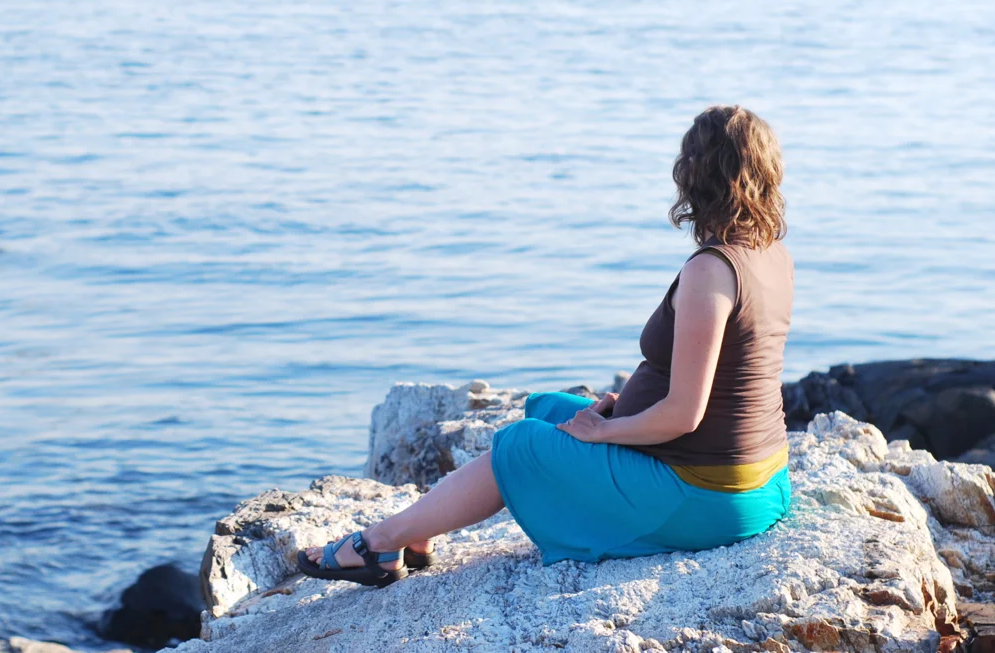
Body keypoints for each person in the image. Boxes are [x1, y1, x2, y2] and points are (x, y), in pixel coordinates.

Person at [299, 105, 794, 587]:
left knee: (521, 445)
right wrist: (627, 409)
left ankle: (381, 544)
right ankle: (416, 531)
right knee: (548, 409)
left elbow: (684, 414)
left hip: (708, 496)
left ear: (696, 175)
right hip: (761, 482)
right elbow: (734, 375)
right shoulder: (771, 254)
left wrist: (606, 432)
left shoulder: (710, 270)